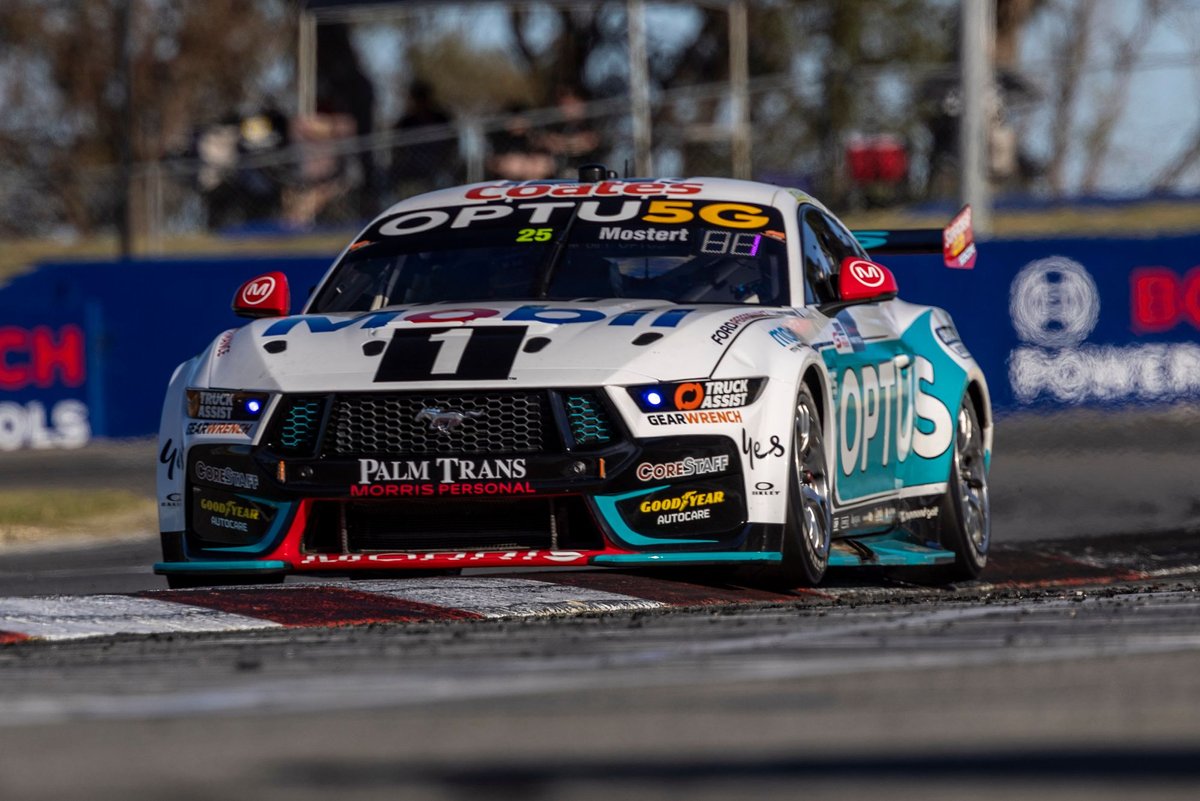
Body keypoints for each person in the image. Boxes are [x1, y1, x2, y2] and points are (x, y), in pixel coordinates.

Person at [390, 79, 460, 199]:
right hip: (413, 167)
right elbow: (397, 149)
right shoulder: (406, 122)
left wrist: (446, 159)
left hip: (439, 165)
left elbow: (453, 142)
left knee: (444, 182)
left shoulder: (442, 118)